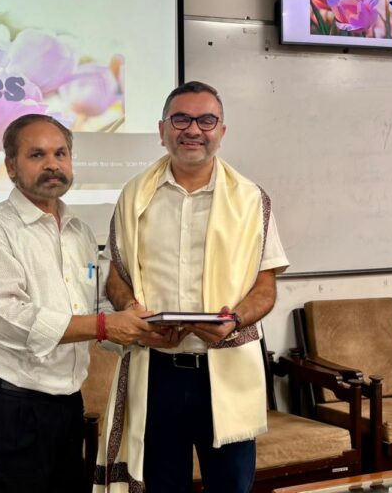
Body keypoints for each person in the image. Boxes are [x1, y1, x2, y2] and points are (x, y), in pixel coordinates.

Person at [93, 82, 289, 493]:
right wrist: (133, 313)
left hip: (225, 371)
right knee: (162, 487)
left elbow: (265, 286)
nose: (193, 130)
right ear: (162, 130)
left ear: (222, 131)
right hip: (157, 372)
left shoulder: (251, 199)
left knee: (231, 487)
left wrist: (234, 320)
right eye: (181, 119)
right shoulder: (134, 196)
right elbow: (116, 275)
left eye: (206, 120)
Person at [0, 113, 154, 493]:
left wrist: (142, 329)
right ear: (11, 167)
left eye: (60, 153)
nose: (52, 164)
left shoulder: (80, 233)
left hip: (67, 408)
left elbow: (95, 306)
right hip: (8, 409)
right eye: (37, 155)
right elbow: (9, 320)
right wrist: (105, 326)